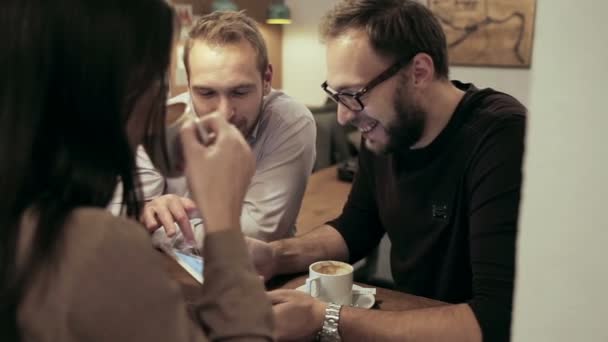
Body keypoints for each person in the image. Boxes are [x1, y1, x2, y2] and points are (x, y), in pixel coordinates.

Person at [249, 0, 526, 341]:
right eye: (337, 95)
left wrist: (327, 318)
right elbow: (356, 229)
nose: (343, 116)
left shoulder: (501, 136)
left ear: (419, 72)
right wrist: (274, 256)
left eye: (354, 94)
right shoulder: (384, 132)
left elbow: (495, 319)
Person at [0, 1, 272, 341]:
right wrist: (223, 222)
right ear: (109, 89)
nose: (161, 100)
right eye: (158, 78)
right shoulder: (92, 247)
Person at [135, 11, 317, 243]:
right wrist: (145, 215)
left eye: (240, 92)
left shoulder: (291, 121)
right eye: (206, 92)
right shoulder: (157, 124)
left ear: (267, 80)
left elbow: (258, 233)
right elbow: (125, 220)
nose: (223, 113)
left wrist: (157, 230)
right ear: (189, 84)